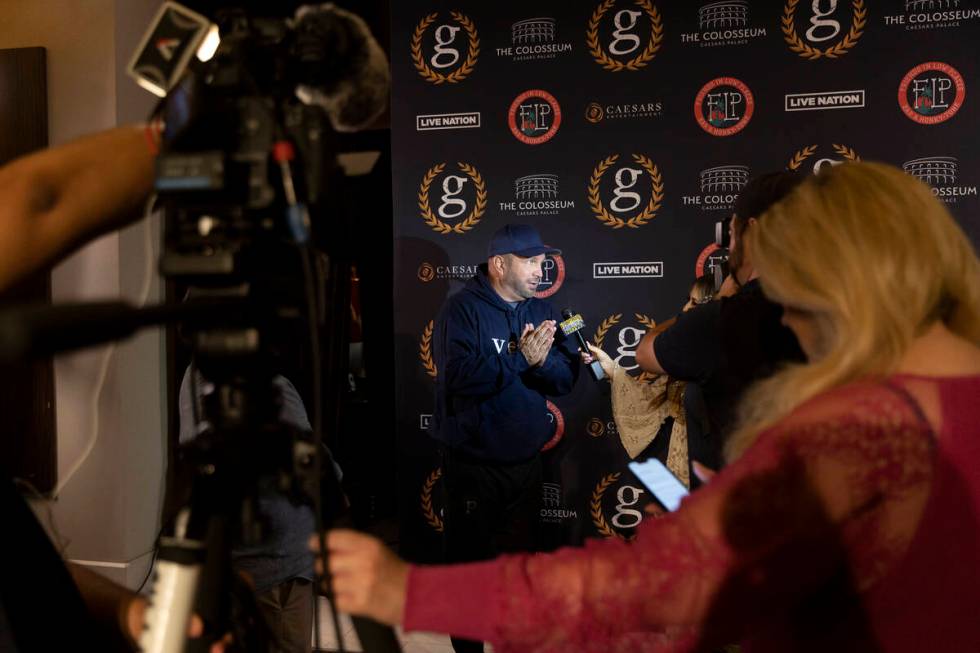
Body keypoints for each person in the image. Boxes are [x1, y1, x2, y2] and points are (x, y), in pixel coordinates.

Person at [317, 162, 980, 651]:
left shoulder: (853, 434)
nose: (777, 316)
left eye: (777, 292)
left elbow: (639, 586)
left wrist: (406, 591)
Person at [428, 223, 579, 653]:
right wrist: (518, 358)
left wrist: (537, 364)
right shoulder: (462, 310)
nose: (541, 270)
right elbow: (456, 377)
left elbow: (566, 377)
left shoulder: (541, 310)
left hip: (527, 466)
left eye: (543, 262)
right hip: (474, 466)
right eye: (531, 262)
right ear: (498, 264)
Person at [635, 171, 807, 471]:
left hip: (743, 501)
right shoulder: (848, 309)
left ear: (752, 233)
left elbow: (646, 353)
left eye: (734, 231)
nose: (730, 247)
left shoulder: (724, 320)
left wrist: (718, 305)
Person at [179, 366, 318, 653]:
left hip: (249, 564)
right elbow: (311, 465)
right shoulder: (264, 383)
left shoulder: (197, 377)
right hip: (275, 567)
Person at [582, 276, 718, 488]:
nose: (685, 308)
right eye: (687, 300)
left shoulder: (720, 359)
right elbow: (649, 400)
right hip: (681, 467)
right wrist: (612, 369)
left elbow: (646, 351)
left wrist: (686, 320)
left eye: (695, 303)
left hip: (714, 471)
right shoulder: (685, 358)